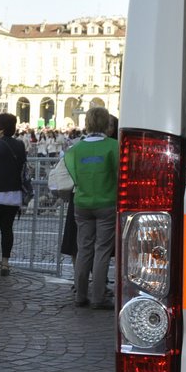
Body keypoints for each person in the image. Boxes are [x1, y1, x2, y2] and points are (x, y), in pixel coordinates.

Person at [63, 106, 120, 309]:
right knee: (102, 250)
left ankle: (80, 294)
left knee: (83, 249)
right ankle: (98, 296)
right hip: (106, 203)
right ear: (107, 124)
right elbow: (119, 175)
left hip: (82, 203)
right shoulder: (114, 146)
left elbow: (71, 172)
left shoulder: (75, 149)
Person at [0, 113, 29, 276]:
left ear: (1, 128)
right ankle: (5, 263)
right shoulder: (19, 145)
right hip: (14, 193)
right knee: (7, 229)